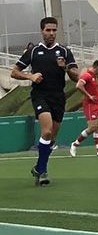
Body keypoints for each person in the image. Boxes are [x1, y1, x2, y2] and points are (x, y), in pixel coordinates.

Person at [11, 17, 79, 186]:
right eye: (48, 30)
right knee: (46, 131)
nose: (51, 33)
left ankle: (39, 168)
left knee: (52, 138)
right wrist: (30, 76)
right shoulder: (33, 51)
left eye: (54, 30)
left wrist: (65, 68)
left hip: (58, 97)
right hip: (40, 95)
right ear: (42, 31)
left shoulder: (64, 51)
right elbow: (14, 72)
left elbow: (76, 76)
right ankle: (42, 172)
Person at [69, 60, 98, 157]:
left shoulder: (94, 77)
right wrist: (89, 96)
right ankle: (75, 144)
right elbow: (78, 85)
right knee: (92, 127)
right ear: (97, 68)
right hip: (90, 105)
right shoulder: (87, 75)